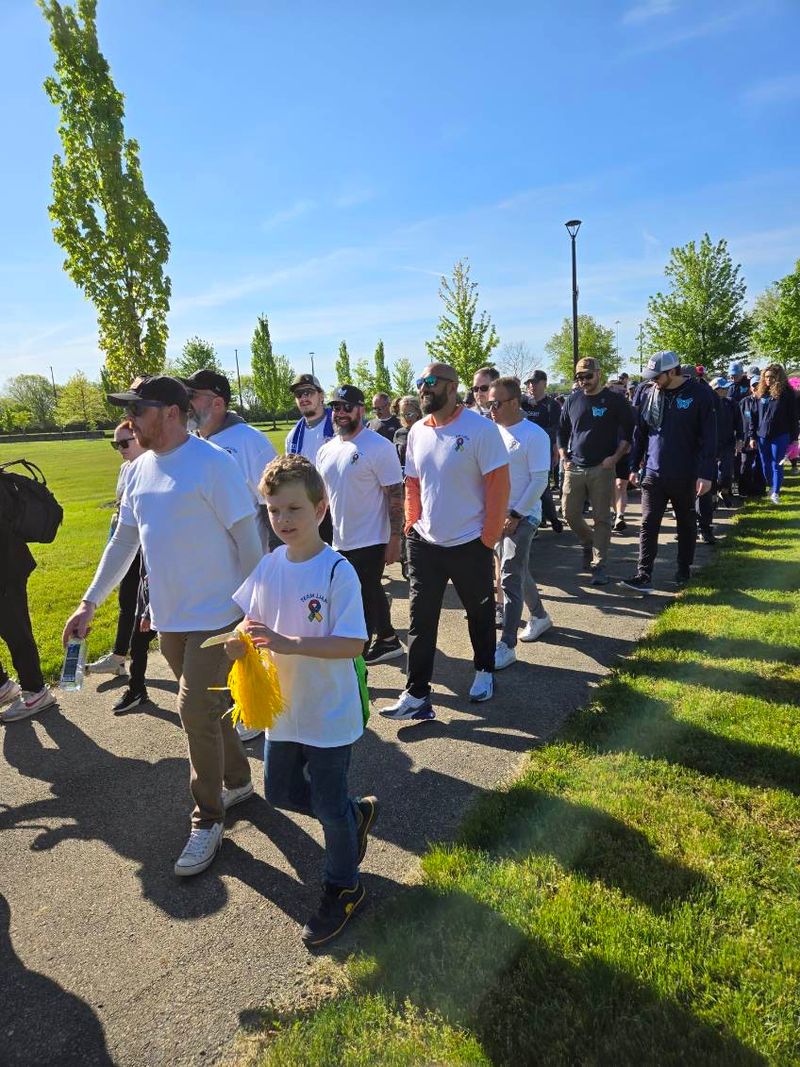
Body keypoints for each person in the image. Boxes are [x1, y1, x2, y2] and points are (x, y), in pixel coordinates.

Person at [61, 375, 261, 877]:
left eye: (139, 409)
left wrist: (253, 611)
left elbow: (249, 541)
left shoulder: (215, 465)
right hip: (170, 619)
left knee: (193, 708)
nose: (129, 420)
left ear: (172, 412)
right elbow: (124, 542)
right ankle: (238, 779)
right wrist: (89, 603)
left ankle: (208, 816)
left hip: (219, 615)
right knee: (211, 709)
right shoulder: (137, 471)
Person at [226, 454, 376, 946]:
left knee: (327, 804)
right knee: (281, 792)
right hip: (283, 708)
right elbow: (249, 619)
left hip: (329, 710)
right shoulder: (270, 565)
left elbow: (353, 643)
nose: (283, 520)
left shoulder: (337, 572)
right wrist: (237, 637)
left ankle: (344, 886)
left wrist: (291, 644)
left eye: (293, 508)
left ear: (320, 508)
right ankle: (354, 817)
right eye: (273, 511)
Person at [382, 363, 509, 719]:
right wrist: (410, 524)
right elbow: (413, 483)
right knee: (421, 620)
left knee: (479, 613)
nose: (423, 388)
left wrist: (488, 538)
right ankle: (417, 696)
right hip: (426, 543)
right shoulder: (418, 431)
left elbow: (498, 486)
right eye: (420, 382)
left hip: (471, 542)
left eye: (431, 382)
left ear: (452, 387)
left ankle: (484, 670)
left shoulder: (481, 430)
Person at [316, 385, 405, 665]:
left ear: (361, 410)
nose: (340, 413)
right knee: (369, 589)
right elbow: (325, 498)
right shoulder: (327, 450)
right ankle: (389, 639)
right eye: (336, 407)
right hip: (340, 537)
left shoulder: (378, 446)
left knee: (362, 596)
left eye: (347, 407)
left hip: (372, 537)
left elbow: (395, 495)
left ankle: (356, 658)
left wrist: (395, 539)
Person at [621, 352, 716, 593]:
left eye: (656, 376)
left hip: (686, 473)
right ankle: (644, 574)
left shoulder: (699, 394)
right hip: (654, 471)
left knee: (685, 522)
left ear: (672, 372)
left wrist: (706, 473)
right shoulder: (647, 393)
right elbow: (640, 433)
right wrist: (634, 466)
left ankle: (683, 568)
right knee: (648, 523)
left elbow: (709, 437)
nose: (652, 381)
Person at [488, 377, 553, 670]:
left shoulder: (533, 434)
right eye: (488, 402)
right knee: (516, 568)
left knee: (510, 576)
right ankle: (539, 616)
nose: (490, 408)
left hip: (523, 516)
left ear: (514, 403)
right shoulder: (490, 432)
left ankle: (506, 645)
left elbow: (540, 480)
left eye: (496, 403)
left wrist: (515, 515)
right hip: (496, 515)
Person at [557, 357, 634, 586]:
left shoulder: (614, 400)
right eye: (579, 377)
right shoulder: (572, 400)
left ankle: (599, 565)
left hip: (602, 467)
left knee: (602, 518)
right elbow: (562, 430)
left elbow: (629, 432)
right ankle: (588, 541)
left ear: (599, 374)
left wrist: (615, 458)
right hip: (575, 467)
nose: (583, 381)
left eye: (588, 376)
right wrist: (563, 456)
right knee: (569, 513)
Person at [183, 369, 277, 552]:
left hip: (246, 570)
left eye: (192, 395)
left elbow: (275, 503)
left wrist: (277, 562)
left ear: (218, 403)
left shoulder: (250, 440)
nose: (185, 402)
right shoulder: (188, 443)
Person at [85, 420, 149, 678]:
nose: (120, 448)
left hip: (148, 548)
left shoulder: (152, 468)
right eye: (116, 444)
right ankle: (119, 658)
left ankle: (130, 664)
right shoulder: (126, 469)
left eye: (124, 442)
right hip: (128, 544)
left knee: (145, 608)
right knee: (127, 601)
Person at [0, 501, 57, 723]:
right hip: (8, 563)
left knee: (16, 630)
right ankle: (4, 686)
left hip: (6, 570)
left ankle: (36, 691)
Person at [285, 372, 335, 543]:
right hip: (309, 510)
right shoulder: (292, 437)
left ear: (321, 396)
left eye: (308, 392)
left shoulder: (339, 426)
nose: (303, 397)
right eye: (299, 394)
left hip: (339, 507)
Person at [750, 363, 799, 504]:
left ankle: (775, 492)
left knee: (777, 463)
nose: (768, 380)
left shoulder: (788, 394)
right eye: (765, 377)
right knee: (766, 465)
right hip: (762, 435)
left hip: (781, 434)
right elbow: (753, 417)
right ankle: (772, 485)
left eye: (771, 377)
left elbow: (793, 418)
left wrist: (794, 438)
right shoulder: (760, 394)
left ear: (778, 377)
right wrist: (752, 436)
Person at [523, 371, 563, 533]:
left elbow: (555, 430)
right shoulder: (523, 403)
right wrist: (524, 399)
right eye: (529, 383)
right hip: (522, 451)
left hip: (542, 451)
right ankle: (536, 521)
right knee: (524, 485)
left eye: (535, 382)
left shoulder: (552, 405)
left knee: (541, 486)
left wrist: (556, 451)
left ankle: (552, 518)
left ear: (544, 383)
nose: (531, 386)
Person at [709, 377, 743, 508]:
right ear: (716, 390)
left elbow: (738, 423)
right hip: (710, 443)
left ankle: (724, 492)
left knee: (727, 471)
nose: (727, 390)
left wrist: (740, 439)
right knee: (710, 472)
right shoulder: (707, 404)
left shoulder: (731, 403)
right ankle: (712, 497)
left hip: (727, 443)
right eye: (724, 388)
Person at [738, 375, 767, 497]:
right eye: (753, 386)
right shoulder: (744, 402)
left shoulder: (766, 401)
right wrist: (744, 438)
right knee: (746, 464)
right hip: (747, 438)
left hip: (761, 437)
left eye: (758, 386)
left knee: (761, 464)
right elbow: (742, 420)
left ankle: (759, 490)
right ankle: (744, 490)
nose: (756, 388)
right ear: (750, 388)